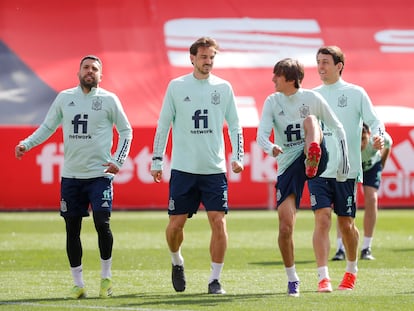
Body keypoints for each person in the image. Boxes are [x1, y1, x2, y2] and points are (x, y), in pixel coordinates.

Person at [15, 55, 133, 299]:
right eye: (86, 68)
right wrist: (27, 144)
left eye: (95, 69)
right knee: (72, 228)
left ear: (101, 75)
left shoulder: (109, 100)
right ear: (78, 72)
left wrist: (118, 160)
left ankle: (106, 279)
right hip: (71, 177)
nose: (90, 72)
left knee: (102, 222)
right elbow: (48, 127)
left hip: (99, 175)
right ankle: (78, 284)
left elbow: (126, 131)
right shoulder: (65, 98)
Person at [150, 37, 244, 295]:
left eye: (211, 57)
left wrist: (239, 155)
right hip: (183, 169)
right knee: (175, 226)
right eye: (203, 57)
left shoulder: (224, 87)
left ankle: (215, 280)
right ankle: (177, 261)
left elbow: (235, 125)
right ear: (192, 58)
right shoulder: (177, 86)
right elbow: (163, 124)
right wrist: (157, 159)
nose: (208, 61)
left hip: (214, 169)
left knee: (218, 222)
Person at [256, 58, 349, 297]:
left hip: (314, 156)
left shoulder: (312, 99)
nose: (273, 79)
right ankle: (292, 278)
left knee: (311, 120)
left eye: (277, 75)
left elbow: (337, 127)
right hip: (288, 164)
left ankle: (312, 155)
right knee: (285, 226)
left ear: (289, 79)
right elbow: (261, 135)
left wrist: (344, 165)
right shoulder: (272, 101)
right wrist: (271, 148)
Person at [308, 46, 385, 293]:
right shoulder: (312, 96)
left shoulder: (355, 93)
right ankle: (323, 277)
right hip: (319, 170)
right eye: (318, 62)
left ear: (339, 65)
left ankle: (351, 270)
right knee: (322, 219)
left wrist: (379, 136)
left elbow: (375, 121)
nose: (321, 67)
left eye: (326, 62)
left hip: (346, 171)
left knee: (346, 225)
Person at [332, 123, 393, 261]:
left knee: (372, 198)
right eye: (357, 139)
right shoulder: (346, 141)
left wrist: (382, 163)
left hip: (371, 167)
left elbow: (389, 144)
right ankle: (340, 248)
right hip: (351, 166)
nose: (360, 144)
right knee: (344, 202)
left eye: (363, 139)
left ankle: (366, 247)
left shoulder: (376, 140)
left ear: (369, 135)